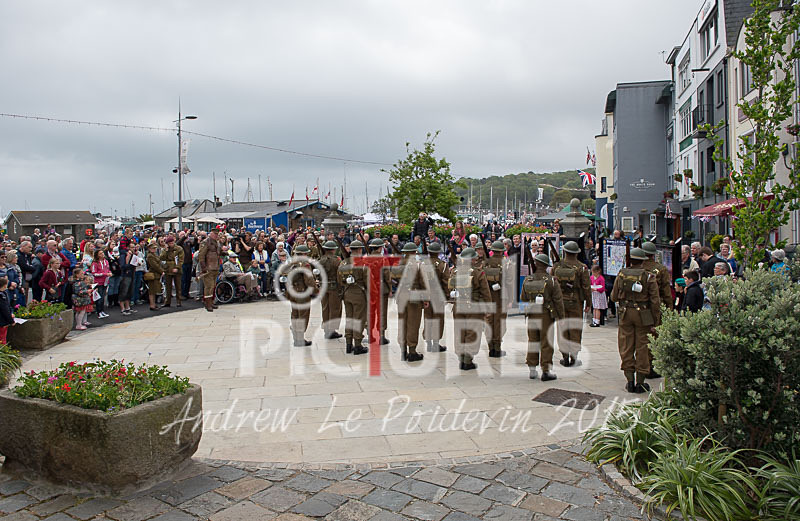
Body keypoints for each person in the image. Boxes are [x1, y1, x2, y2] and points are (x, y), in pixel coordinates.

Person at [610, 247, 661, 393]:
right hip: (644, 314)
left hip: (625, 313)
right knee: (642, 346)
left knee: (626, 345)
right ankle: (640, 381)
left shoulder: (621, 274)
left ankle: (629, 380)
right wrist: (655, 320)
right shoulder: (649, 276)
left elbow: (613, 296)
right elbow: (655, 301)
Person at [520, 253, 564, 380]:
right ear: (546, 266)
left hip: (532, 313)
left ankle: (532, 369)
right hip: (546, 314)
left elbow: (523, 297)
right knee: (546, 341)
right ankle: (546, 370)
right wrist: (561, 317)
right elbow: (558, 300)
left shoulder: (528, 279)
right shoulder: (551, 280)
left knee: (533, 340)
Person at [449, 247, 491, 371]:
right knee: (472, 332)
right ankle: (468, 360)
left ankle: (461, 358)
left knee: (460, 332)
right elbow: (485, 292)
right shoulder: (478, 272)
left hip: (458, 306)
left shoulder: (455, 272)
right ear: (472, 259)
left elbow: (450, 288)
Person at [553, 241, 590, 367]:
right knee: (575, 328)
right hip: (576, 302)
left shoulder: (557, 266)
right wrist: (589, 303)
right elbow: (586, 287)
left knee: (562, 328)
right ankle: (574, 357)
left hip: (560, 301)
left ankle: (565, 356)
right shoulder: (582, 267)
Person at [338, 240, 369, 355]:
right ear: (360, 250)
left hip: (347, 293)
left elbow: (339, 280)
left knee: (349, 319)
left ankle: (348, 344)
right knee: (359, 320)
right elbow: (368, 281)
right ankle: (357, 345)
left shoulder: (343, 263)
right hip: (359, 294)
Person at [395, 242, 425, 361]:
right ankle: (412, 351)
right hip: (414, 296)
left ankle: (403, 350)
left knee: (403, 323)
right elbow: (423, 282)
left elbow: (394, 277)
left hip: (401, 296)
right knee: (413, 324)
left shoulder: (399, 264)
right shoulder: (417, 265)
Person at [283, 244, 316, 347]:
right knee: (303, 315)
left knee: (295, 314)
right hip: (302, 292)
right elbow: (309, 280)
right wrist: (315, 290)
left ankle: (296, 337)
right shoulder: (304, 264)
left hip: (292, 292)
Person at [483, 241, 509, 357]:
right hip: (501, 297)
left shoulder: (485, 262)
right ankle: (497, 348)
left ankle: (490, 348)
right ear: (502, 251)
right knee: (499, 322)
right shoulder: (507, 263)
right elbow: (509, 282)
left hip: (488, 296)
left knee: (489, 321)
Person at [422, 241, 449, 353]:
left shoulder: (423, 264)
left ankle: (428, 343)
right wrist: (447, 295)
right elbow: (446, 281)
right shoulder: (443, 265)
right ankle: (436, 343)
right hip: (438, 296)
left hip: (427, 295)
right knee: (438, 318)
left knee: (428, 318)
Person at [318, 241, 343, 339]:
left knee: (325, 308)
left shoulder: (321, 260)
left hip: (323, 287)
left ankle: (326, 329)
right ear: (333, 249)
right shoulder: (337, 260)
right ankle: (332, 330)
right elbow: (340, 274)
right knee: (335, 309)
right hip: (334, 287)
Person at [368, 239, 391, 345]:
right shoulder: (383, 259)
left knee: (371, 312)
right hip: (381, 288)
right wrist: (390, 288)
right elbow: (387, 274)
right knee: (381, 312)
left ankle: (370, 334)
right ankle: (381, 335)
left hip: (370, 288)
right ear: (381, 247)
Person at [197, 228, 221, 312]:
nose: (216, 236)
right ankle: (207, 304)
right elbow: (201, 256)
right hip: (208, 267)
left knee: (213, 286)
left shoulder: (216, 243)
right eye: (215, 234)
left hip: (215, 267)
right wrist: (203, 268)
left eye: (217, 234)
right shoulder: (205, 242)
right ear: (211, 234)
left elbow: (218, 253)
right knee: (208, 286)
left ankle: (211, 302)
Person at [160, 236, 185, 307]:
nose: (171, 244)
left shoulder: (179, 249)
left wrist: (177, 267)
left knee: (178, 286)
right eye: (169, 243)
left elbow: (181, 260)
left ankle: (178, 301)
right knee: (168, 286)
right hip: (168, 269)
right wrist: (166, 250)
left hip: (177, 269)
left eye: (172, 242)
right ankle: (167, 301)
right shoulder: (165, 250)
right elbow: (162, 257)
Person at [90, 250, 111, 319]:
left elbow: (108, 269)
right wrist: (104, 274)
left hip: (105, 281)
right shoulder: (95, 263)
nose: (102, 254)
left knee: (103, 297)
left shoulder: (106, 261)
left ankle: (102, 310)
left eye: (102, 253)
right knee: (99, 298)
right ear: (98, 255)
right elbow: (94, 273)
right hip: (98, 282)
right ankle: (98, 311)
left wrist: (109, 273)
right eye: (100, 253)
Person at [145, 242, 164, 311]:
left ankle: (154, 304)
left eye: (155, 248)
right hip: (153, 274)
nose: (154, 249)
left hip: (156, 274)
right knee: (152, 290)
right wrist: (161, 271)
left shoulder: (154, 255)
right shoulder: (150, 256)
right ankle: (152, 305)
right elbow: (154, 265)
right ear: (149, 249)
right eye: (153, 248)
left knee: (155, 290)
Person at [177, 232, 195, 299]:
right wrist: (184, 236)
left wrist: (195, 237)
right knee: (183, 279)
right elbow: (178, 243)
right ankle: (181, 293)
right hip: (183, 263)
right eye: (181, 235)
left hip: (189, 262)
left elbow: (194, 244)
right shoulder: (179, 244)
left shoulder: (188, 243)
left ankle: (186, 293)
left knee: (188, 279)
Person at [0, 278, 13, 344]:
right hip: (2, 321)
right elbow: (5, 309)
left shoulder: (4, 293)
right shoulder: (2, 296)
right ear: (5, 285)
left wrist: (11, 312)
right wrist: (11, 321)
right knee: (2, 338)